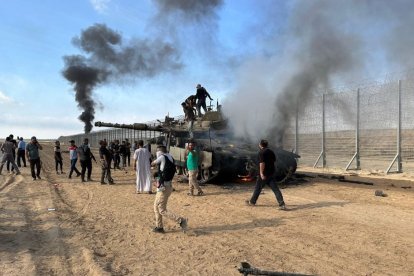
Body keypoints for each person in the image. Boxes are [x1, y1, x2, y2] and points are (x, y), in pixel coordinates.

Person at [151, 145, 187, 233]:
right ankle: (159, 227)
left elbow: (153, 163)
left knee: (162, 210)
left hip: (164, 188)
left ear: (160, 152)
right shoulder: (170, 157)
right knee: (156, 207)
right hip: (165, 186)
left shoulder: (162, 157)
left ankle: (181, 220)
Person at [246, 139, 286, 210]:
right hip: (271, 173)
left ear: (260, 145)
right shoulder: (271, 151)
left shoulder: (261, 152)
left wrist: (261, 173)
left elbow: (262, 163)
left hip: (264, 174)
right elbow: (274, 161)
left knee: (257, 188)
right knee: (276, 189)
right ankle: (282, 204)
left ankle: (252, 202)